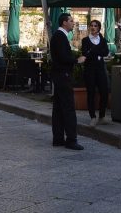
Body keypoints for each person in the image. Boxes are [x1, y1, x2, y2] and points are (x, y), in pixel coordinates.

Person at [51, 12, 86, 150]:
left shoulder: (59, 36)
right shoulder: (60, 37)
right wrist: (77, 60)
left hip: (59, 75)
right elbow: (63, 57)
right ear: (64, 22)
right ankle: (71, 139)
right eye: (71, 20)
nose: (73, 22)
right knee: (68, 108)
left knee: (59, 108)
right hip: (63, 75)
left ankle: (58, 138)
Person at [81, 20, 109, 126]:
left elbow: (105, 52)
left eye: (95, 26)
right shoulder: (85, 40)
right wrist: (98, 51)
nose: (93, 27)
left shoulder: (102, 40)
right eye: (91, 26)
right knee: (91, 93)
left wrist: (92, 50)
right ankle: (92, 116)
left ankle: (102, 116)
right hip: (90, 70)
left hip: (100, 69)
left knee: (104, 92)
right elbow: (85, 53)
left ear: (99, 28)